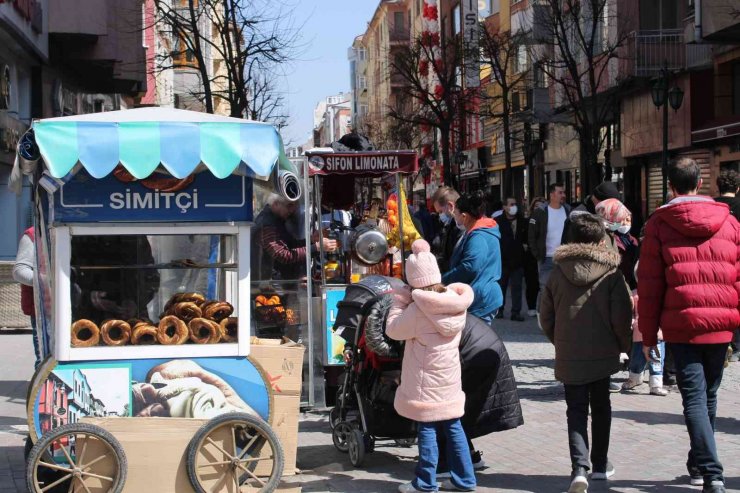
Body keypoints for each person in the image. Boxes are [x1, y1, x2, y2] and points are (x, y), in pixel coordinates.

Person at [638, 157, 740, 493]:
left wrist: (648, 334)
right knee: (708, 395)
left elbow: (650, 285)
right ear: (701, 184)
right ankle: (700, 465)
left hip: (681, 324)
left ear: (670, 186)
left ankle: (711, 472)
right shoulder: (730, 223)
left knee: (695, 399)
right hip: (721, 324)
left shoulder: (659, 223)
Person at [539, 213, 632, 493]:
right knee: (601, 407)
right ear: (601, 239)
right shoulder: (612, 274)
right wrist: (624, 346)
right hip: (603, 352)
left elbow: (546, 316)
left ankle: (579, 468)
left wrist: (559, 340)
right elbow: (622, 315)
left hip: (570, 351)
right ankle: (600, 466)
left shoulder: (557, 273)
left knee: (575, 410)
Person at [386, 240, 476, 493]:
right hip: (449, 376)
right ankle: (465, 480)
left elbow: (393, 330)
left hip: (425, 379)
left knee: (426, 427)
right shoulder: (453, 302)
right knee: (453, 425)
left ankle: (425, 483)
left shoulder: (417, 310)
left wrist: (398, 302)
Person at [437, 314, 524, 477]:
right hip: (483, 349)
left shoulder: (425, 312)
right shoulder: (446, 306)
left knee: (446, 413)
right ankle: (468, 457)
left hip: (472, 355)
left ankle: (447, 464)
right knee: (458, 413)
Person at [442, 192, 503, 324]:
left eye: (456, 213)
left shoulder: (478, 236)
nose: (454, 217)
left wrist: (443, 280)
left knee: (475, 342)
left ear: (464, 216)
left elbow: (470, 266)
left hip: (480, 297)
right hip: (480, 294)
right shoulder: (478, 230)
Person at [252, 193, 337, 281]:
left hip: (278, 281)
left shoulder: (277, 221)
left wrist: (311, 241)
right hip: (270, 284)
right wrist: (316, 247)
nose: (292, 210)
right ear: (276, 204)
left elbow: (290, 245)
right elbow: (284, 255)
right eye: (289, 205)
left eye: (295, 206)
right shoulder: (267, 226)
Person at [620, 261, 668, 396]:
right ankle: (635, 378)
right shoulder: (634, 294)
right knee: (636, 359)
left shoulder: (661, 294)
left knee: (656, 359)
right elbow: (631, 312)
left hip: (656, 333)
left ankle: (656, 384)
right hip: (638, 332)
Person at [527, 183, 569, 306]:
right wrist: (537, 254)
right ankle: (544, 315)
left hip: (564, 257)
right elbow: (532, 235)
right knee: (545, 288)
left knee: (563, 288)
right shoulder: (540, 212)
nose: (563, 195)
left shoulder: (568, 210)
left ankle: (559, 315)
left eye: (564, 192)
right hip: (546, 258)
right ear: (552, 195)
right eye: (560, 192)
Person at [714, 169, 740, 362]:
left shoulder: (712, 206)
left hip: (718, 261)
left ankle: (723, 340)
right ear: (738, 188)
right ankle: (737, 345)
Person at [13, 227, 41, 369]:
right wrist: (48, 283)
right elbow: (19, 271)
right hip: (42, 308)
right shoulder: (32, 235)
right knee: (44, 357)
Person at [496, 197, 526, 321]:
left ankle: (516, 312)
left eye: (515, 204)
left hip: (517, 259)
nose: (514, 206)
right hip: (503, 260)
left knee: (517, 287)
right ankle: (499, 310)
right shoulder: (497, 221)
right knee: (500, 287)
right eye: (511, 204)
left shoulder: (522, 220)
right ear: (504, 207)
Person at [431, 186, 462, 273]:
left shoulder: (461, 228)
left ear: (451, 206)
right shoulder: (449, 225)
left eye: (440, 211)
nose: (440, 216)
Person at [523, 197, 545, 317]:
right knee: (531, 282)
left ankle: (543, 308)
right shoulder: (528, 221)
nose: (538, 208)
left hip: (544, 255)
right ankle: (531, 306)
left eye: (541, 206)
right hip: (531, 256)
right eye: (536, 206)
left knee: (544, 283)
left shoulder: (548, 220)